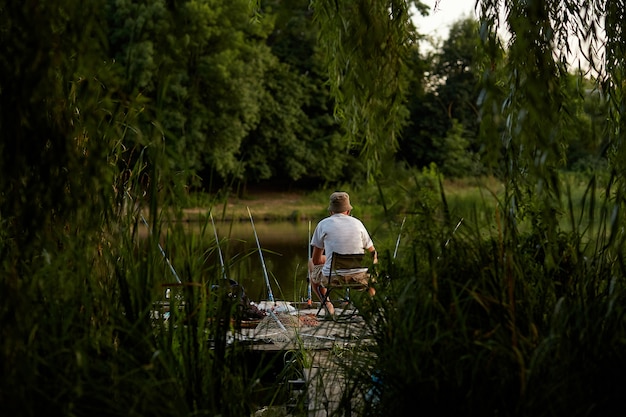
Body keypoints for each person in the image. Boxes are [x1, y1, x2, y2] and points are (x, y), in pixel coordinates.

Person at [308, 191, 377, 316]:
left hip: (332, 279)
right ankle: (368, 306)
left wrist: (328, 259)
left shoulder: (323, 224)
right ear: (348, 211)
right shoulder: (358, 224)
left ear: (331, 211)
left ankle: (327, 304)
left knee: (310, 263)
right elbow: (373, 254)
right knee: (373, 271)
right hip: (359, 278)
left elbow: (316, 261)